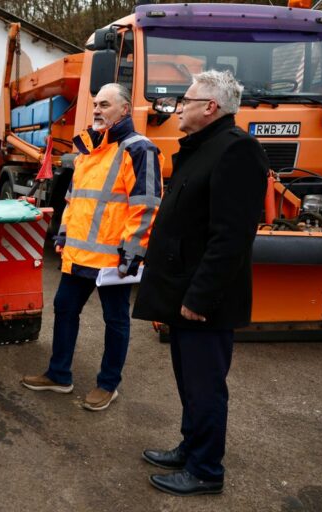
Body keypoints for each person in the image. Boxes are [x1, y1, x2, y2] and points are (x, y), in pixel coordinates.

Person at [133, 70, 268, 496]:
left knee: (206, 386)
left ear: (210, 107)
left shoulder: (236, 151)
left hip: (204, 299)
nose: (178, 108)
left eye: (185, 101)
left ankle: (207, 470)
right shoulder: (204, 148)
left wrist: (200, 297)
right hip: (183, 290)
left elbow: (231, 237)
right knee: (189, 381)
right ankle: (191, 447)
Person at [22, 83, 164, 411]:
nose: (97, 110)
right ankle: (59, 375)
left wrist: (133, 253)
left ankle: (108, 384)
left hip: (113, 261)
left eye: (105, 104)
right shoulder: (87, 150)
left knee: (115, 320)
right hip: (80, 254)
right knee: (65, 308)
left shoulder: (139, 149)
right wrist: (64, 235)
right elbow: (75, 201)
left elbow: (146, 206)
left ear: (125, 110)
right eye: (95, 105)